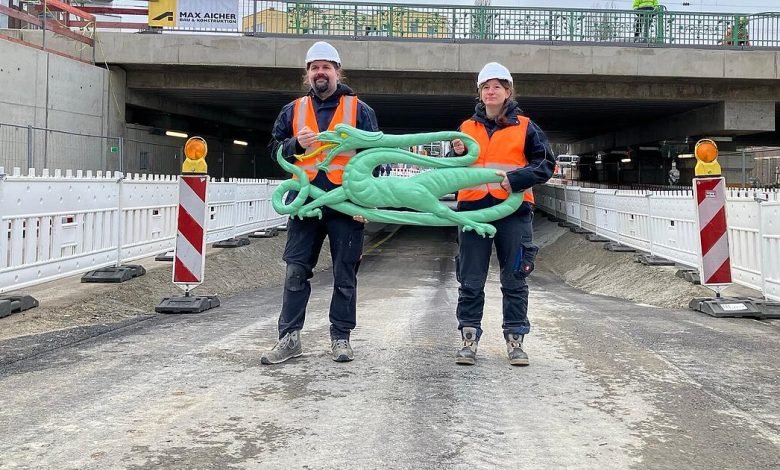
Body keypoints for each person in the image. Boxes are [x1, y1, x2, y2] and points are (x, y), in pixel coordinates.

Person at [261, 41, 379, 365]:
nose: (320, 72)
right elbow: (274, 150)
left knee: (345, 274)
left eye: (326, 67)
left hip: (346, 205)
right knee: (295, 272)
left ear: (338, 72)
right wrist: (294, 145)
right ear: (308, 74)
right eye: (315, 68)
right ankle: (289, 338)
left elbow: (375, 159)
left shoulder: (360, 111)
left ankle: (341, 338)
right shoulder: (293, 110)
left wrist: (366, 203)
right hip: (305, 203)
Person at [450, 62, 555, 366]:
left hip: (513, 211)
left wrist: (518, 179)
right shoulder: (466, 129)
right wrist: (456, 153)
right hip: (474, 211)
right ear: (479, 93)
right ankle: (469, 338)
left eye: (497, 86)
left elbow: (545, 163)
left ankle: (515, 339)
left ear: (508, 91)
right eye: (486, 87)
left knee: (515, 277)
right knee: (471, 278)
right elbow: (449, 169)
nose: (491, 91)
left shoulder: (525, 127)